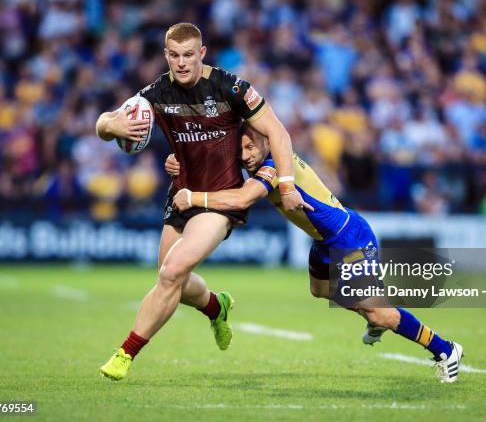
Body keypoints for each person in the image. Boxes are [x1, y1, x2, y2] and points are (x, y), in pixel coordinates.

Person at [95, 23, 308, 381]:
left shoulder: (231, 87)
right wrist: (111, 128)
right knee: (171, 279)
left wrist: (286, 185)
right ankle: (216, 306)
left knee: (173, 273)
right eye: (174, 55)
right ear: (166, 55)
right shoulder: (157, 92)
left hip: (221, 199)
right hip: (180, 196)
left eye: (188, 55)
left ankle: (125, 353)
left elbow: (279, 133)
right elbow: (104, 121)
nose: (181, 63)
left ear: (202, 53)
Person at [168, 125, 464, 383]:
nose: (245, 155)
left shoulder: (272, 165)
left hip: (349, 237)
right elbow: (210, 159)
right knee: (319, 290)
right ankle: (371, 315)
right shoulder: (256, 161)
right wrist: (178, 162)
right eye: (240, 149)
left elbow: (244, 197)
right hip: (324, 241)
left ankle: (445, 349)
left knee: (381, 312)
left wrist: (193, 197)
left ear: (267, 142)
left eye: (250, 147)